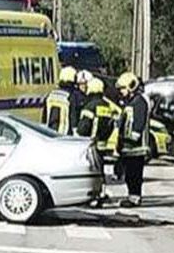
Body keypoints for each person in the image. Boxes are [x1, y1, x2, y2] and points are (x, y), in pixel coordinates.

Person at [77, 77, 119, 207]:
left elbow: (83, 128)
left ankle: (90, 196)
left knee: (88, 171)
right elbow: (111, 125)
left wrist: (79, 135)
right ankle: (101, 194)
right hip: (102, 144)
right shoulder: (106, 106)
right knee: (100, 171)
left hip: (90, 144)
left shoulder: (90, 106)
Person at [115, 72, 150, 207]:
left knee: (134, 175)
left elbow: (138, 125)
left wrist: (130, 138)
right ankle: (132, 196)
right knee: (129, 174)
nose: (121, 92)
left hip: (136, 148)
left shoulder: (139, 102)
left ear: (130, 86)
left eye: (122, 89)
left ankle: (134, 198)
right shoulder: (131, 102)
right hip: (129, 147)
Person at [42, 66, 83, 135]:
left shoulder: (50, 95)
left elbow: (44, 117)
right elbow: (74, 117)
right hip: (66, 135)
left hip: (49, 134)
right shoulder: (72, 96)